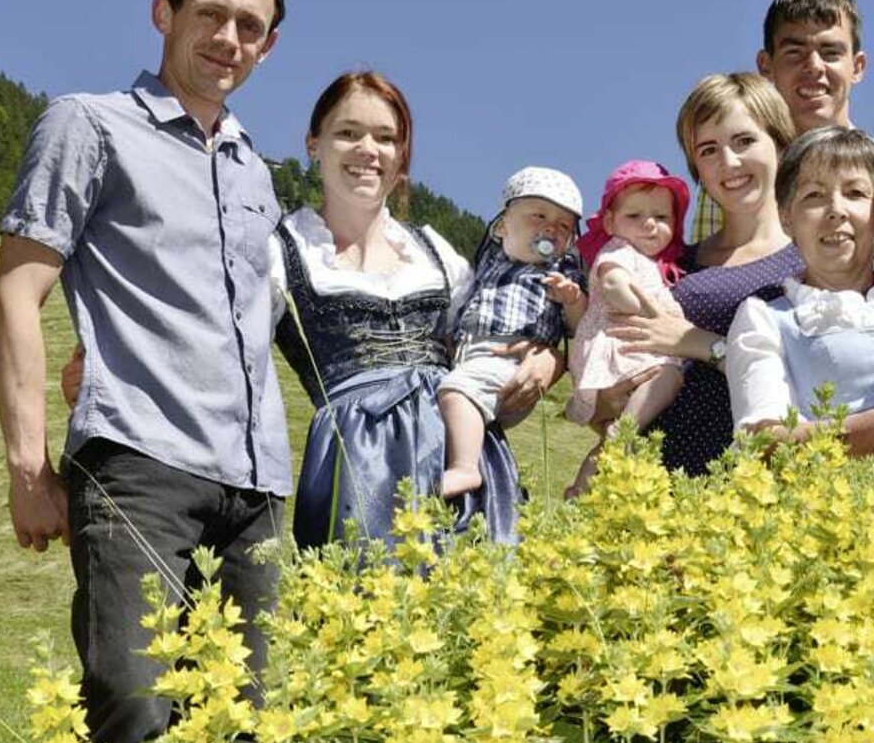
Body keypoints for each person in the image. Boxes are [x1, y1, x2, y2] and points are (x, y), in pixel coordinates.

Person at [0, 0, 290, 743]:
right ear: (165, 15)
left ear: (267, 48)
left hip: (258, 481)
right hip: (139, 461)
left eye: (250, 27)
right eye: (211, 15)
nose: (229, 38)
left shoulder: (254, 172)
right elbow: (17, 290)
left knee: (249, 719)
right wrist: (26, 468)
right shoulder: (88, 124)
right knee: (132, 704)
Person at [273, 74, 558, 546]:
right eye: (348, 133)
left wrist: (550, 357)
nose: (368, 149)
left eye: (386, 138)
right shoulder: (281, 252)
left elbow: (502, 329)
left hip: (461, 454)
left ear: (401, 156)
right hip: (359, 464)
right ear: (313, 144)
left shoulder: (434, 252)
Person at [604, 73, 803, 475]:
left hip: (746, 486)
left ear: (781, 144)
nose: (729, 162)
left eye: (744, 141)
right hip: (645, 484)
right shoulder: (672, 263)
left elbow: (807, 377)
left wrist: (700, 344)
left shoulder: (806, 264)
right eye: (709, 150)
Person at [726, 126, 874, 451]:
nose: (836, 210)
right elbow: (762, 444)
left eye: (855, 193)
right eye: (814, 196)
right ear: (787, 219)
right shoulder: (764, 319)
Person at [691, 0, 874, 265]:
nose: (814, 66)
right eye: (795, 52)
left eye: (831, 53)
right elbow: (712, 280)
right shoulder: (734, 174)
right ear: (765, 65)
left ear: (858, 66)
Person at [437, 167, 585, 498]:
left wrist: (572, 298)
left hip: (512, 365)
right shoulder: (487, 264)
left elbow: (577, 325)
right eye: (539, 216)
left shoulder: (559, 274)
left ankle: (464, 469)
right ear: (502, 226)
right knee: (447, 396)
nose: (551, 228)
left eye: (564, 226)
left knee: (456, 391)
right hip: (471, 356)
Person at [564, 160, 690, 497]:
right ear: (610, 222)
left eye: (662, 218)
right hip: (620, 347)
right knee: (669, 376)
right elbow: (613, 280)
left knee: (610, 448)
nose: (650, 224)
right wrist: (637, 304)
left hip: (628, 349)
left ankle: (581, 488)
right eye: (635, 216)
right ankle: (627, 429)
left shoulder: (652, 264)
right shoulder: (619, 250)